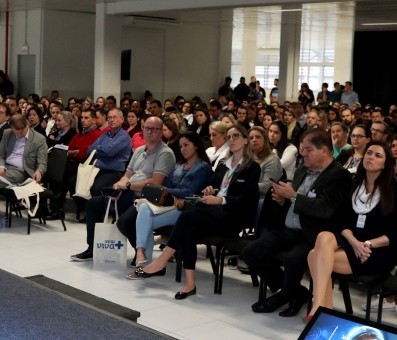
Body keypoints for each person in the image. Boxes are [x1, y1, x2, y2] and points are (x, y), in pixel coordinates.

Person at [129, 125, 260, 299]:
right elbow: (213, 186)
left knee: (187, 216)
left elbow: (246, 200)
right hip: (213, 212)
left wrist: (220, 199)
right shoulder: (223, 166)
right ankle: (190, 284)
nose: (232, 140)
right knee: (188, 227)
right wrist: (209, 191)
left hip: (232, 218)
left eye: (236, 136)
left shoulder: (252, 168)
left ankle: (160, 262)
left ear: (245, 140)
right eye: (229, 137)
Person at [242, 130, 353, 317]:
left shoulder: (339, 175)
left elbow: (326, 209)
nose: (303, 154)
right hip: (288, 228)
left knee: (292, 260)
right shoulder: (301, 170)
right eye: (303, 149)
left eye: (309, 150)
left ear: (324, 150)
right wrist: (282, 200)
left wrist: (292, 196)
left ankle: (283, 296)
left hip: (313, 234)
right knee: (250, 252)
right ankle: (295, 292)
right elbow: (295, 201)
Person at [306, 142, 397, 320]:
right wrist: (354, 243)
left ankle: (321, 310)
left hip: (377, 250)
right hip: (352, 241)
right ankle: (320, 308)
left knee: (314, 256)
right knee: (323, 236)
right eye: (369, 153)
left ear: (385, 164)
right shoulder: (354, 184)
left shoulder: (395, 189)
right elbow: (340, 221)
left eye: (378, 155)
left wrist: (367, 244)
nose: (370, 157)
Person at [71, 117, 175, 262]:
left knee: (124, 222)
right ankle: (92, 249)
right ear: (142, 130)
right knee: (93, 204)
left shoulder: (165, 153)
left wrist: (127, 186)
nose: (150, 132)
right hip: (128, 193)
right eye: (147, 128)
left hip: (147, 199)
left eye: (154, 129)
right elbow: (127, 175)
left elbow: (156, 182)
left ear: (161, 132)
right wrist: (119, 187)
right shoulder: (139, 150)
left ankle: (141, 254)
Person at [118, 131, 213, 267]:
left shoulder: (203, 167)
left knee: (145, 220)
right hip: (170, 204)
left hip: (185, 209)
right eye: (181, 146)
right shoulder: (178, 166)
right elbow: (166, 186)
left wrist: (168, 192)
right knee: (144, 210)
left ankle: (143, 262)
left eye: (186, 145)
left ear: (196, 145)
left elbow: (191, 191)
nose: (183, 149)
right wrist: (169, 192)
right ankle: (142, 257)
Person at [249, 126, 284, 199]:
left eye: (258, 137)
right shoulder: (246, 158)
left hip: (261, 200)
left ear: (265, 139)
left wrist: (244, 184)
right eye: (251, 138)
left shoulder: (272, 159)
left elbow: (266, 187)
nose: (254, 140)